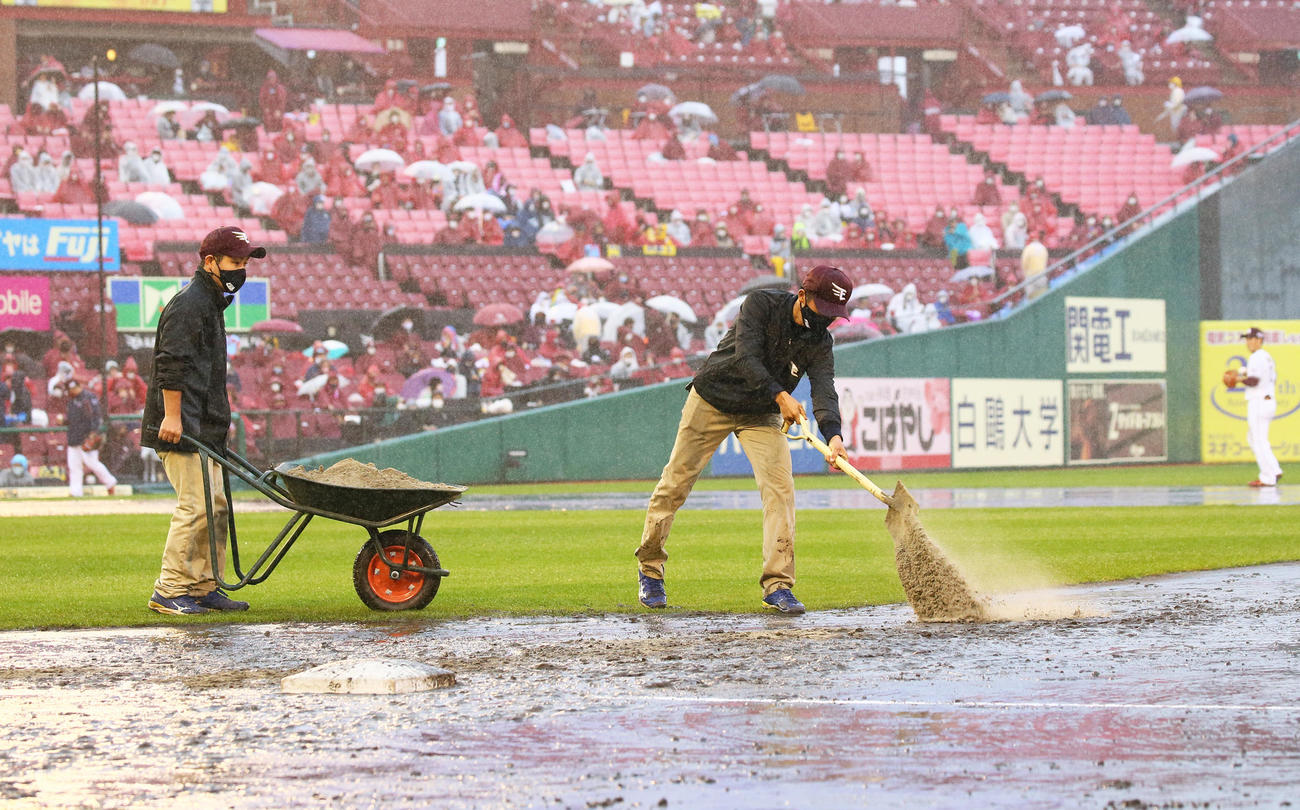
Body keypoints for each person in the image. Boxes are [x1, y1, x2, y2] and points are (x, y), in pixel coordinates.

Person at [634, 265, 852, 615]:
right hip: (713, 399)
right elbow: (746, 357)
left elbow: (825, 389)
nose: (825, 321)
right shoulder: (760, 305)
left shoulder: (820, 341)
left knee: (780, 491)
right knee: (675, 484)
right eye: (821, 310)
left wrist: (834, 435)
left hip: (761, 414)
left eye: (832, 315)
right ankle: (650, 568)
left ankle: (778, 585)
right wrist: (782, 396)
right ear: (802, 296)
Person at [141, 226, 267, 616]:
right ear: (209, 261)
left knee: (215, 508)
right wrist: (173, 417)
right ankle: (171, 588)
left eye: (245, 263)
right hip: (181, 425)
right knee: (195, 507)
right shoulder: (190, 303)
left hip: (205, 426)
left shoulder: (211, 302)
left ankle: (203, 585)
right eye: (234, 262)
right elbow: (170, 365)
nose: (241, 270)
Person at [1237, 327, 1283, 488]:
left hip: (1259, 401)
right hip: (1268, 399)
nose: (1248, 342)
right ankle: (1274, 469)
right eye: (1247, 339)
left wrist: (1238, 379)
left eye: (1251, 339)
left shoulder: (1257, 357)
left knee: (1258, 440)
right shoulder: (1267, 357)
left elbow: (1254, 381)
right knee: (1255, 438)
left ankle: (1268, 477)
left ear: (1259, 340)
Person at [64, 378, 117, 497]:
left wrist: (93, 433)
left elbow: (96, 417)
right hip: (74, 437)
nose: (73, 391)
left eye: (74, 388)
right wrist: (63, 420)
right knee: (74, 466)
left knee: (92, 463)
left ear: (79, 386)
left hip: (86, 436)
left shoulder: (88, 398)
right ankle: (75, 491)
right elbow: (71, 419)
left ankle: (110, 482)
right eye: (71, 389)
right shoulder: (71, 400)